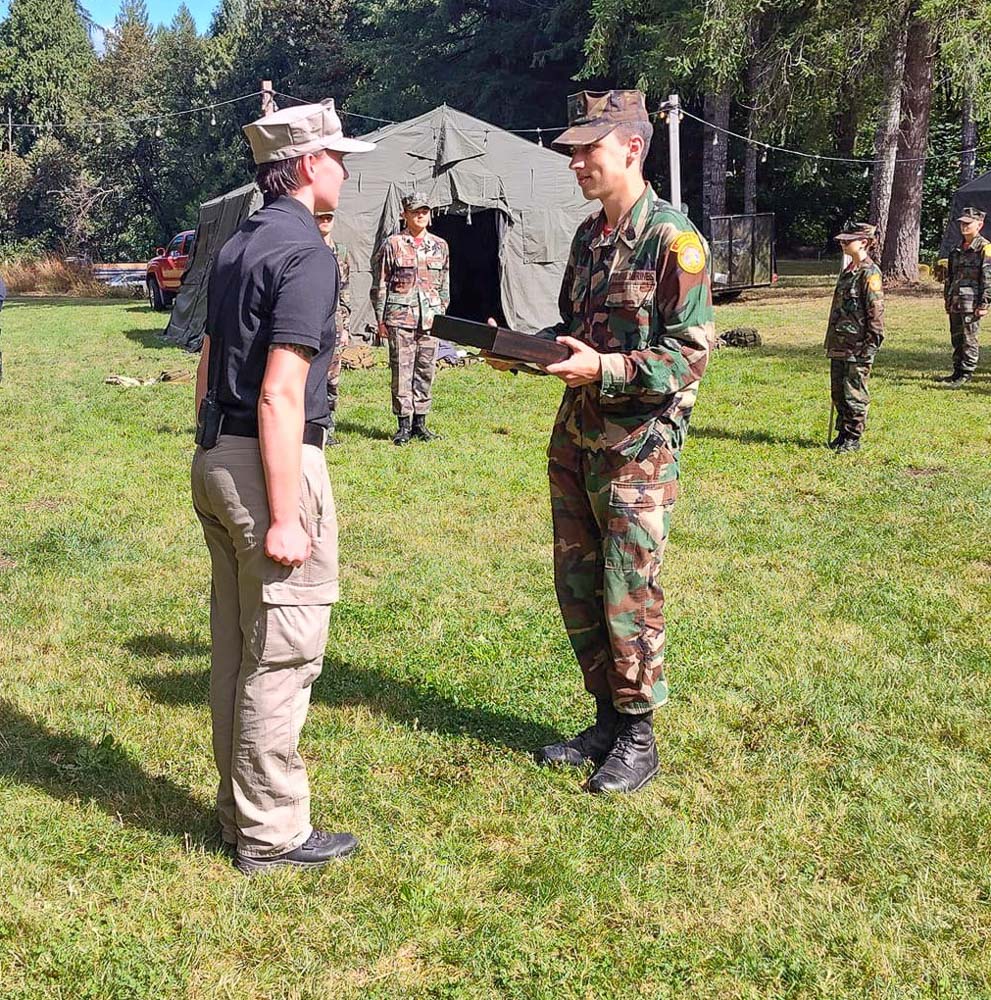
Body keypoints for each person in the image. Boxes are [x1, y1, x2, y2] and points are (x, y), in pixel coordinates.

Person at [490, 90, 714, 794]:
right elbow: (579, 333)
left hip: (637, 450)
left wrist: (606, 368)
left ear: (630, 148)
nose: (576, 161)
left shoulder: (673, 240)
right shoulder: (589, 238)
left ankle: (638, 734)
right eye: (572, 150)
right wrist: (531, 353)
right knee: (580, 583)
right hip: (578, 438)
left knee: (627, 587)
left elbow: (690, 354)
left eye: (587, 148)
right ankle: (605, 719)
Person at [190, 100, 375, 875]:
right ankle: (271, 835)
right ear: (304, 167)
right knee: (283, 656)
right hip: (271, 461)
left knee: (237, 647)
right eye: (336, 156)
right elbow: (279, 393)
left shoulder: (240, 244)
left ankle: (242, 816)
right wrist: (285, 514)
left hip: (217, 454)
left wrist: (209, 453)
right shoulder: (306, 254)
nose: (344, 168)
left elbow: (206, 358)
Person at [371, 191, 450, 445]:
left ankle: (421, 423)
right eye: (415, 211)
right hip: (400, 317)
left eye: (425, 211)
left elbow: (445, 283)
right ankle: (403, 424)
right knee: (402, 370)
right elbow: (381, 282)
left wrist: (442, 309)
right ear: (405, 214)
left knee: (426, 369)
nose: (421, 215)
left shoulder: (440, 246)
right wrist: (381, 319)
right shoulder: (393, 244)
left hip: (431, 318)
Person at [824, 222, 885, 454]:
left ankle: (853, 436)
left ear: (864, 242)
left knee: (855, 392)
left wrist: (871, 345)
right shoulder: (849, 271)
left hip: (859, 345)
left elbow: (876, 312)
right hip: (840, 343)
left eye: (848, 240)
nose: (843, 243)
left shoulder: (870, 273)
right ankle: (843, 433)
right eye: (842, 240)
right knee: (839, 391)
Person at [939, 206, 991, 387]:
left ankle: (967, 372)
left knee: (969, 338)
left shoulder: (985, 248)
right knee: (957, 337)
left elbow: (988, 278)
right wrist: (947, 298)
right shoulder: (957, 249)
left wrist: (984, 304)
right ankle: (957, 371)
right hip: (956, 300)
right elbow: (950, 277)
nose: (964, 226)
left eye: (968, 223)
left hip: (972, 302)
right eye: (962, 223)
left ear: (980, 225)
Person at [316, 211, 351, 446]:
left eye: (328, 218)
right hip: (311, 321)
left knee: (332, 378)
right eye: (320, 218)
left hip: (335, 322)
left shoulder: (342, 252)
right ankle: (310, 424)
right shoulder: (305, 248)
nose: (325, 222)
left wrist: (346, 327)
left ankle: (328, 425)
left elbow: (345, 291)